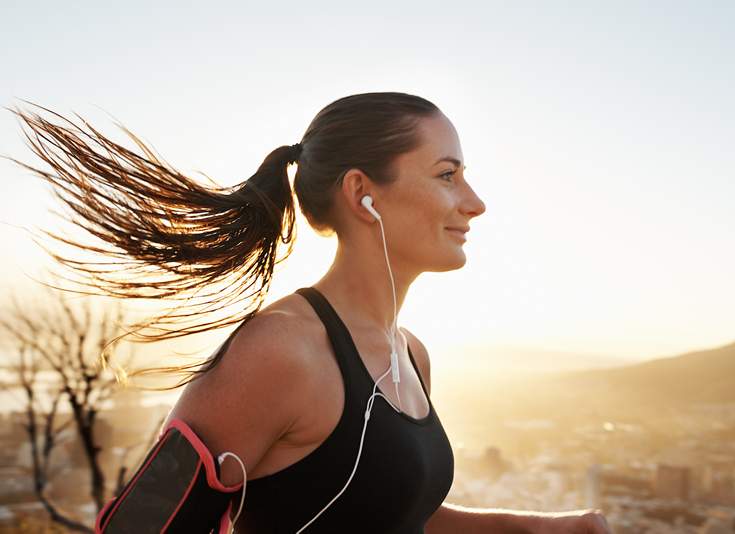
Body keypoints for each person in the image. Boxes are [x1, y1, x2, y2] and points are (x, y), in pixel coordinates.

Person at [8, 92, 612, 533]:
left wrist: (539, 529)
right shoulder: (280, 350)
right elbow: (142, 525)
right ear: (361, 195)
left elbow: (389, 513)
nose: (475, 203)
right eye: (447, 175)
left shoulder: (412, 355)